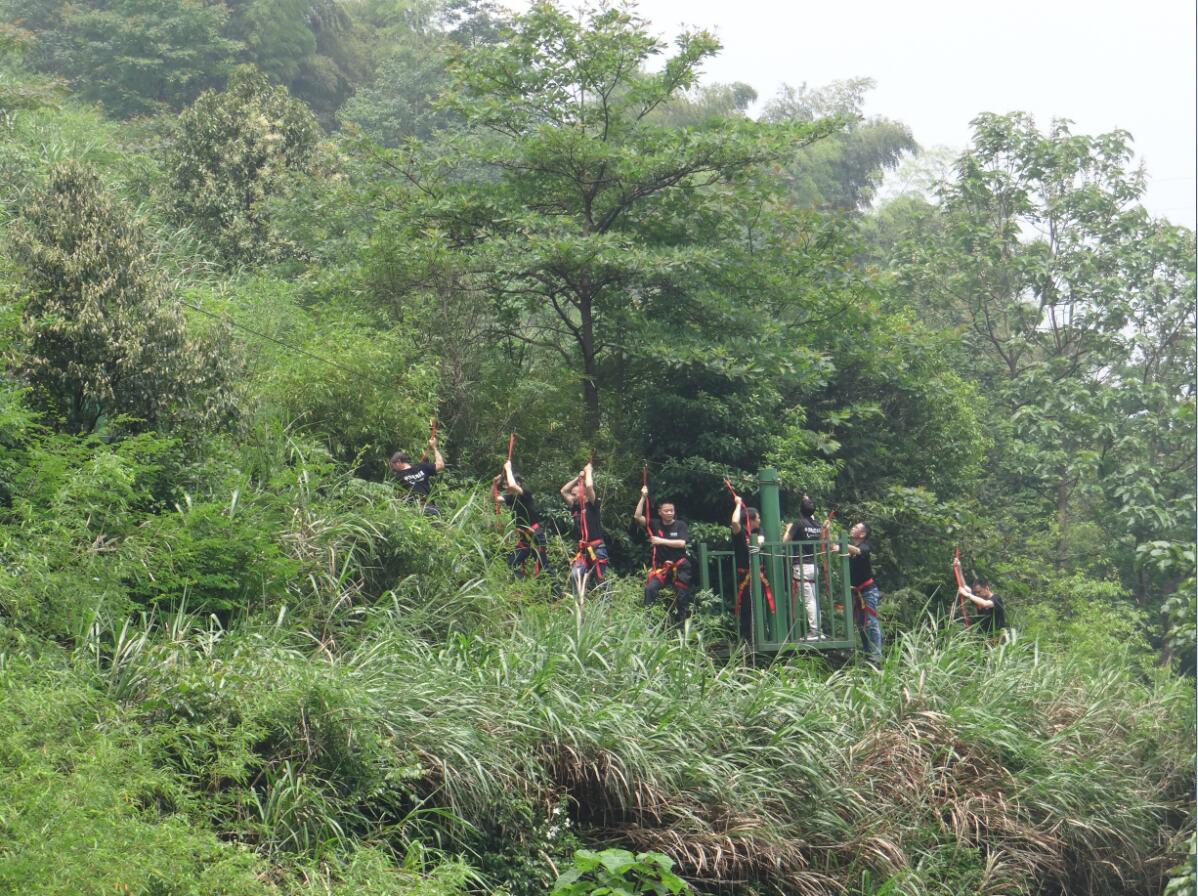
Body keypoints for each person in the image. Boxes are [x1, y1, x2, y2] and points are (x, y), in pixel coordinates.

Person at [634, 487, 691, 626]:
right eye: (666, 511)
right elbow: (637, 517)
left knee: (682, 597)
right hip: (663, 569)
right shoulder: (655, 524)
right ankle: (648, 623)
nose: (670, 513)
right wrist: (643, 497)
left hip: (680, 567)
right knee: (650, 589)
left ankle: (682, 627)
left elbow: (681, 543)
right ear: (660, 512)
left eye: (672, 510)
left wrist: (660, 541)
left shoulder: (680, 525)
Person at [493, 459, 555, 582]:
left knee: (543, 567)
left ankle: (556, 592)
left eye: (507, 483)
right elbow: (496, 499)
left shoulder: (525, 493)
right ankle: (522, 586)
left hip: (535, 535)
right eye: (504, 484)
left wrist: (508, 468)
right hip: (524, 538)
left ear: (519, 484)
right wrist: (494, 484)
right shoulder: (511, 498)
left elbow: (512, 486)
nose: (506, 486)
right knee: (511, 562)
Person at [834, 522, 882, 664]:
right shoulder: (850, 549)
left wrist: (841, 543)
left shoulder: (865, 547)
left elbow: (856, 550)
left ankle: (876, 655)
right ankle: (868, 654)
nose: (852, 528)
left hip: (868, 591)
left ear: (862, 534)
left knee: (871, 622)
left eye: (856, 527)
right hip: (858, 593)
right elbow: (837, 548)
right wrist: (827, 536)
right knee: (862, 625)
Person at [559, 461, 610, 598]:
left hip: (597, 548)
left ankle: (606, 605)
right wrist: (578, 478)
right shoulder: (575, 506)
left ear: (584, 494)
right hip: (583, 551)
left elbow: (589, 486)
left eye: (575, 494)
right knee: (575, 575)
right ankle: (578, 603)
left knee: (600, 579)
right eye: (573, 494)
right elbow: (563, 491)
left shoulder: (593, 504)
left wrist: (588, 471)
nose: (572, 496)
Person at [730, 501, 775, 643]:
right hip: (745, 575)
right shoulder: (739, 532)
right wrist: (738, 504)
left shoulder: (758, 530)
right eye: (758, 518)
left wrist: (757, 544)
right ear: (751, 520)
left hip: (757, 574)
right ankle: (746, 637)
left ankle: (759, 634)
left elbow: (760, 540)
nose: (760, 520)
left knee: (758, 604)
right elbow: (734, 522)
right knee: (746, 605)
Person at [782, 495, 822, 641]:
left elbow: (785, 541)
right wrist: (807, 500)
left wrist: (788, 529)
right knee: (814, 599)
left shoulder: (798, 523)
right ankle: (818, 630)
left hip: (802, 565)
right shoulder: (817, 525)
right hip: (813, 565)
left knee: (808, 601)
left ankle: (815, 632)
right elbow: (810, 515)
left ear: (800, 510)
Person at [390, 436, 445, 516]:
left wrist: (434, 447)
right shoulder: (398, 477)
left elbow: (440, 465)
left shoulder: (421, 466)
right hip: (412, 510)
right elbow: (397, 498)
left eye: (393, 465)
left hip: (429, 506)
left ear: (398, 462)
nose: (393, 468)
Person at [954, 558, 1006, 636]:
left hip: (997, 635)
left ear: (987, 588)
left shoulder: (996, 598)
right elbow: (964, 586)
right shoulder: (979, 597)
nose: (977, 594)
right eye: (976, 592)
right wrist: (959, 568)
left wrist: (967, 594)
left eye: (979, 592)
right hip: (984, 635)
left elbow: (985, 604)